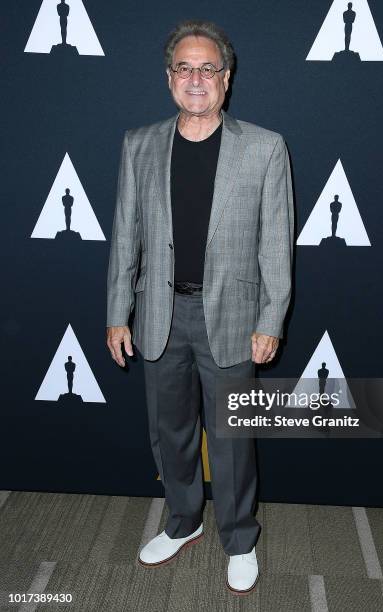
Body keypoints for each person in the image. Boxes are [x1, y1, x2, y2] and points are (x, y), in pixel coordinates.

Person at [106, 19, 294, 594]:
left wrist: (271, 318)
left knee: (233, 437)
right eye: (184, 68)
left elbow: (276, 243)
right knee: (171, 433)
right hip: (160, 316)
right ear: (169, 79)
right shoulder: (138, 145)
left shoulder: (264, 147)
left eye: (207, 68)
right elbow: (125, 236)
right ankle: (184, 521)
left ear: (226, 79)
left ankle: (240, 538)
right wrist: (118, 312)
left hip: (234, 319)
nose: (196, 78)